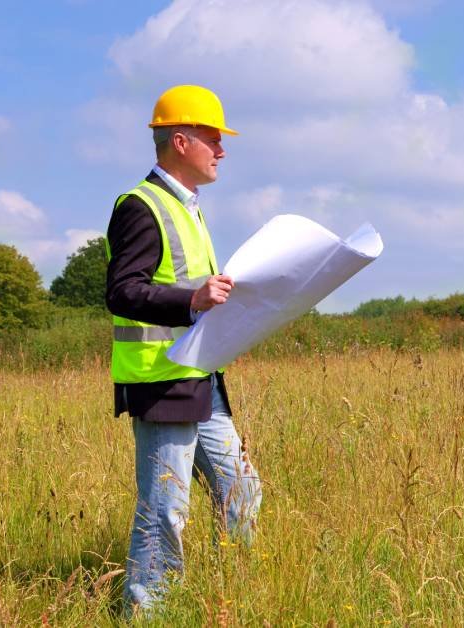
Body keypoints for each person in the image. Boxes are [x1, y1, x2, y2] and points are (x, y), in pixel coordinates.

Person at [104, 84, 261, 613]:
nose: (222, 150)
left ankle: (235, 598)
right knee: (164, 508)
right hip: (161, 380)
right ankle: (146, 613)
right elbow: (122, 291)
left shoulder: (188, 208)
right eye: (212, 138)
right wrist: (191, 298)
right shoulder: (141, 206)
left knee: (242, 490)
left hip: (202, 379)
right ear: (180, 140)